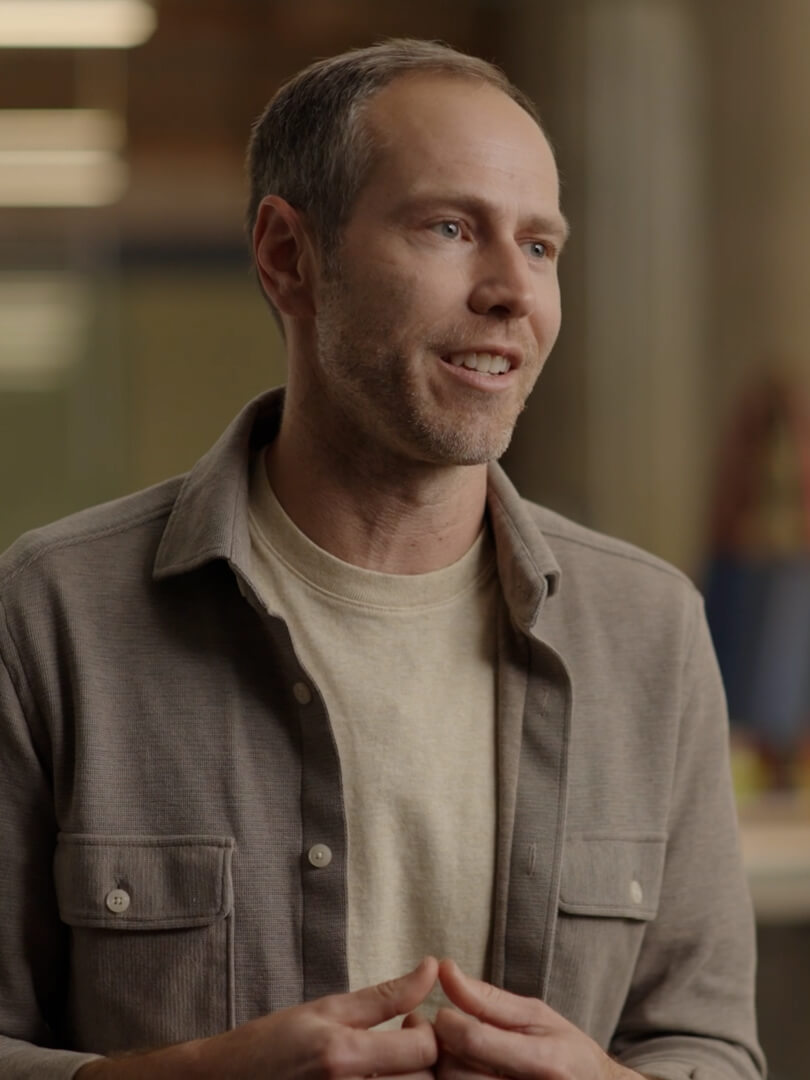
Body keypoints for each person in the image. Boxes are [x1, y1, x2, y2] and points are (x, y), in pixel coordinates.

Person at [0, 37, 764, 1080]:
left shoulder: (649, 630)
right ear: (288, 257)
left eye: (541, 246)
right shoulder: (52, 616)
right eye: (450, 228)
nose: (513, 290)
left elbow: (707, 1046)